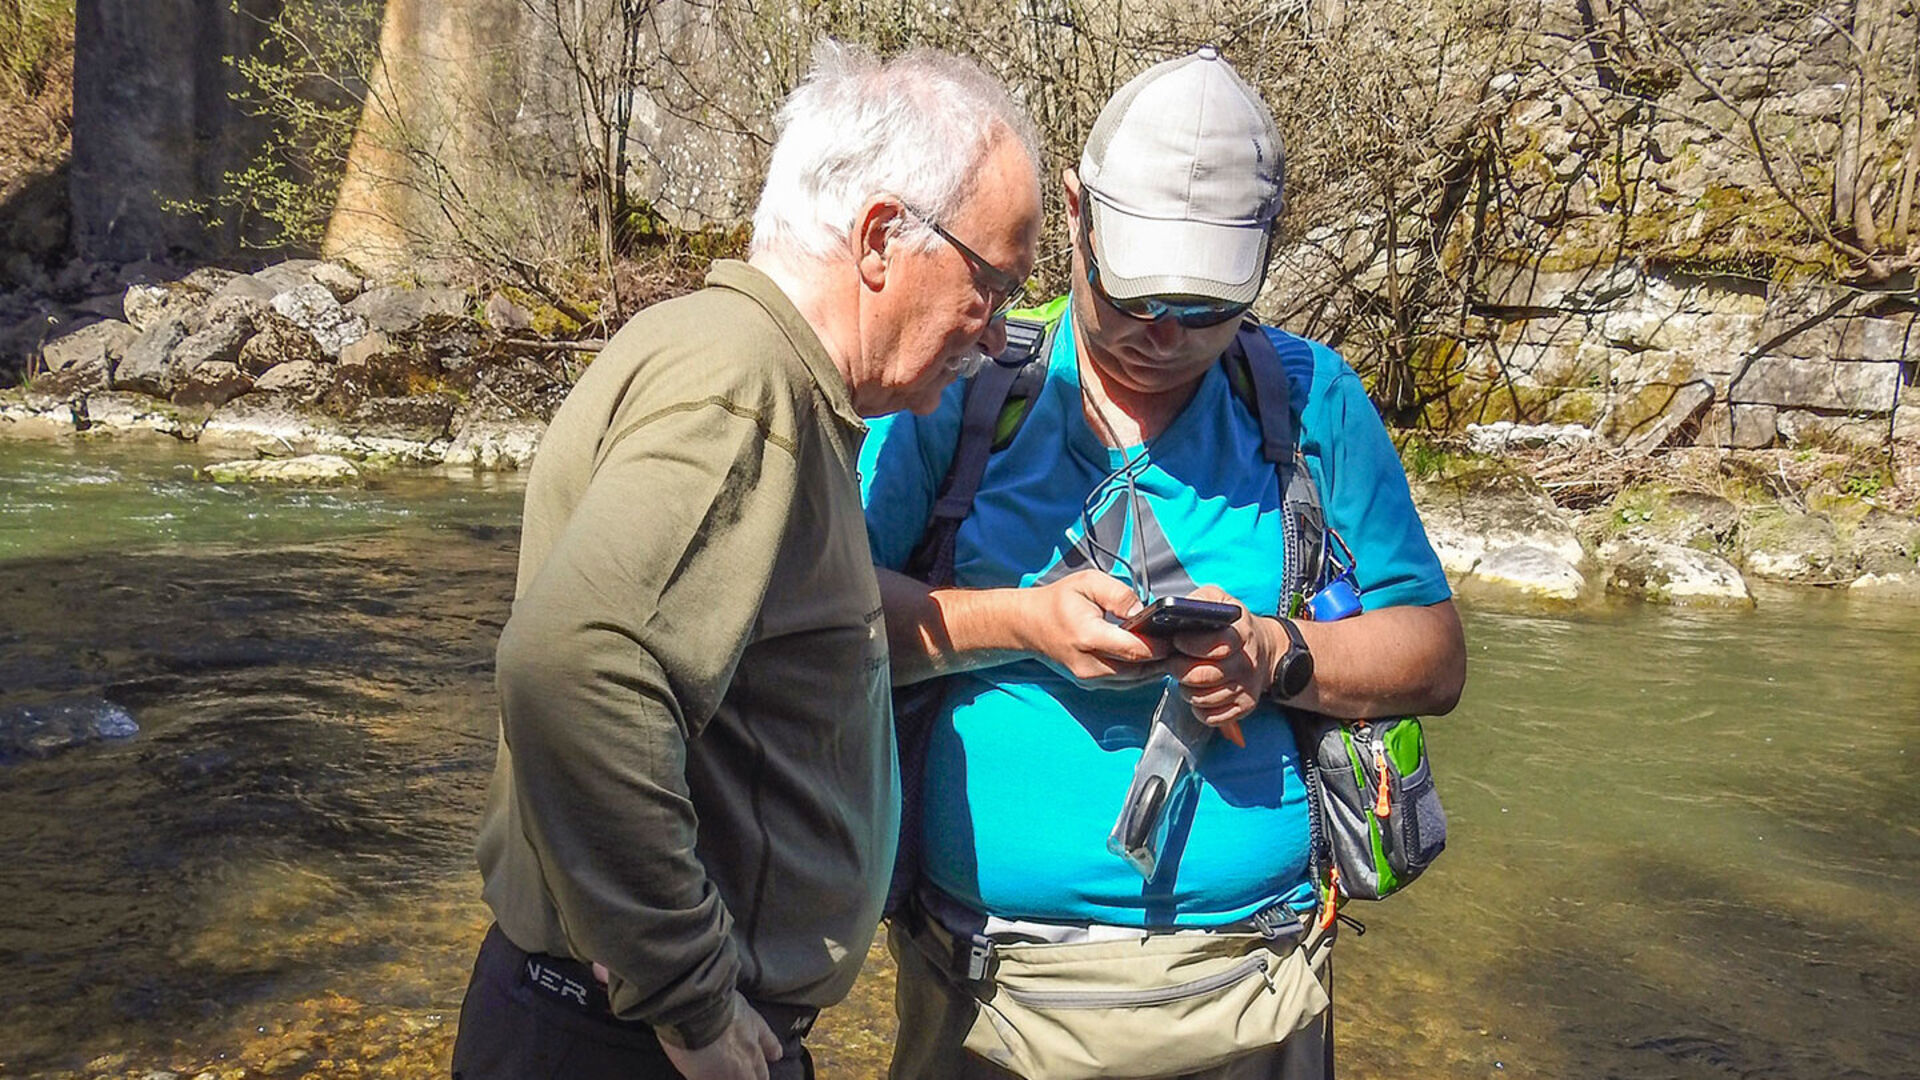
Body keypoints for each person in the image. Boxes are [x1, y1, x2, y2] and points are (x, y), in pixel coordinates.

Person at [858, 47, 1466, 1079]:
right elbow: (822, 615)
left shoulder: (1311, 401)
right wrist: (1027, 626)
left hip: (1254, 984)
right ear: (1078, 219)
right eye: (1133, 298)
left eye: (1203, 310)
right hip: (987, 988)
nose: (1162, 338)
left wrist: (1276, 653)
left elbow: (1435, 657)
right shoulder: (960, 388)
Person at [450, 41, 1043, 1080]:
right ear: (879, 239)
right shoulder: (742, 384)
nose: (994, 336)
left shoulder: (739, 367)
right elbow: (573, 672)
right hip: (629, 1044)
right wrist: (692, 1006)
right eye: (991, 285)